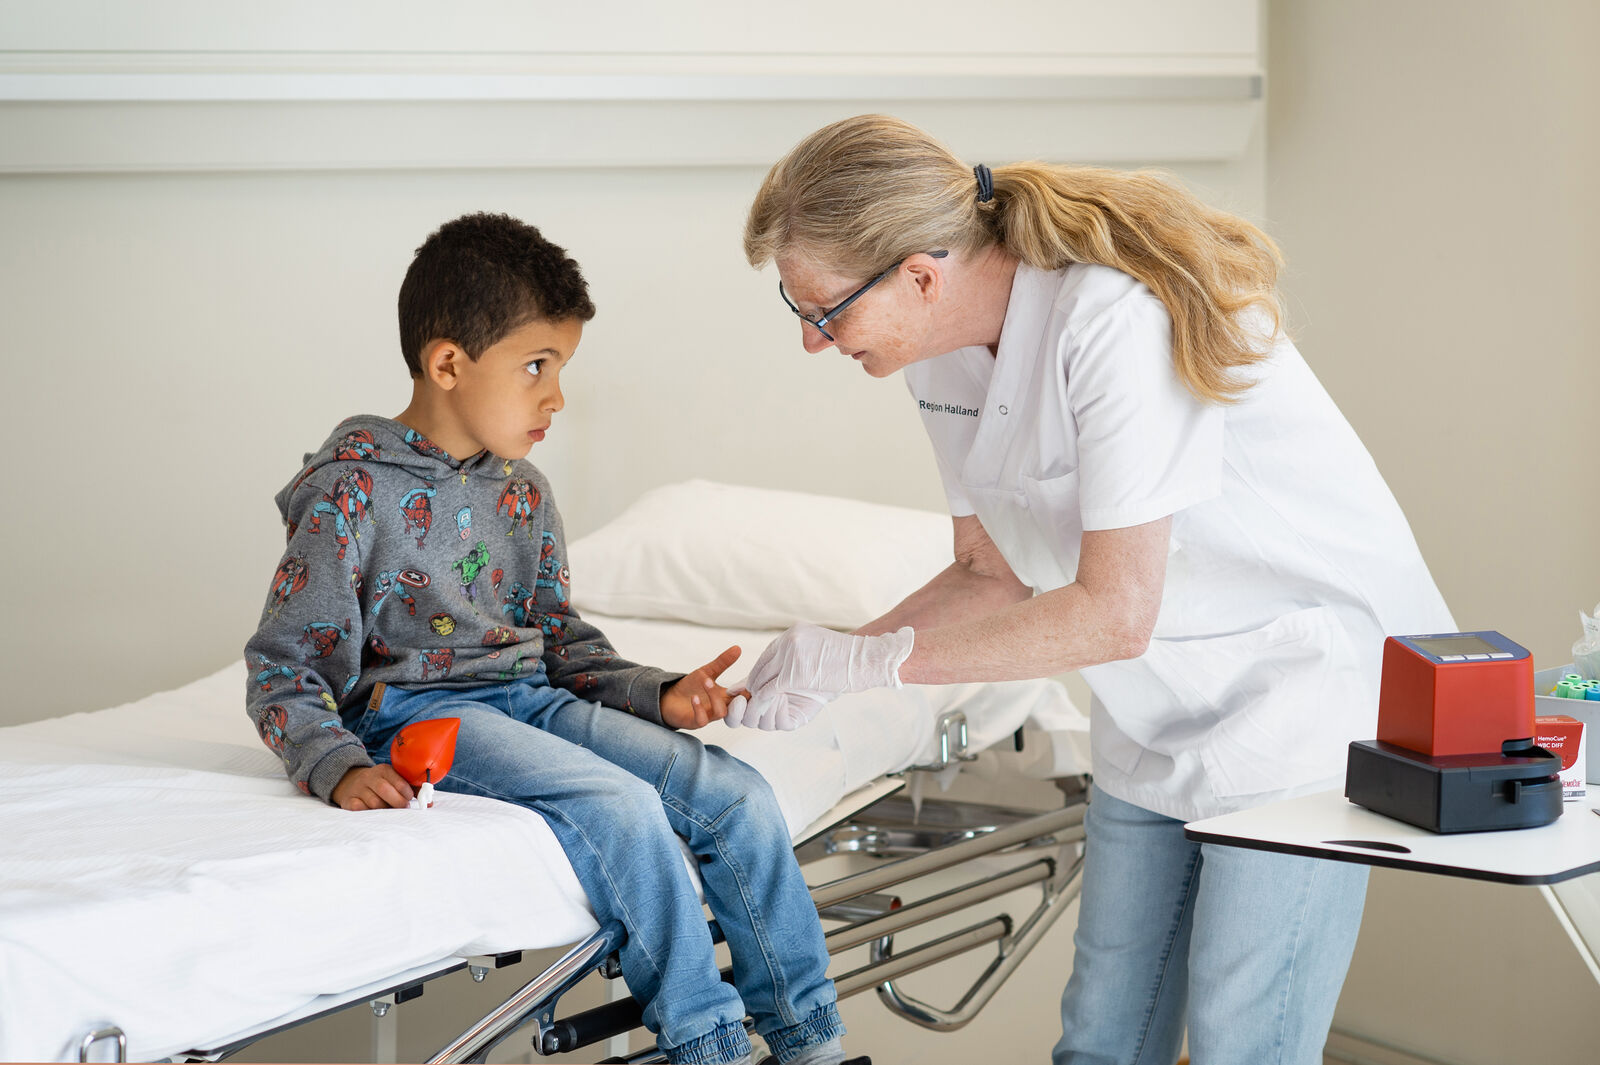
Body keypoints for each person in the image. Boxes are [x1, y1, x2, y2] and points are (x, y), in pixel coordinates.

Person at [733, 115, 1455, 1065]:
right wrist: (839, 657)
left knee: (1247, 1047)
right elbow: (989, 573)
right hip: (1151, 696)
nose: (814, 343)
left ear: (918, 272)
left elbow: (1115, 609)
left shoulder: (1112, 319)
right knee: (1102, 1041)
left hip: (1294, 695)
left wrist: (877, 662)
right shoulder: (939, 345)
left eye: (824, 312)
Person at [243, 212, 861, 1065]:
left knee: (738, 796)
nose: (557, 396)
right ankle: (708, 1043)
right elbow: (284, 666)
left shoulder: (524, 493)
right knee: (623, 808)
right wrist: (335, 762)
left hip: (531, 696)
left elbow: (560, 640)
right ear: (449, 364)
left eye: (560, 367)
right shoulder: (347, 493)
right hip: (417, 710)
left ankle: (809, 1041)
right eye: (537, 366)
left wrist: (658, 692)